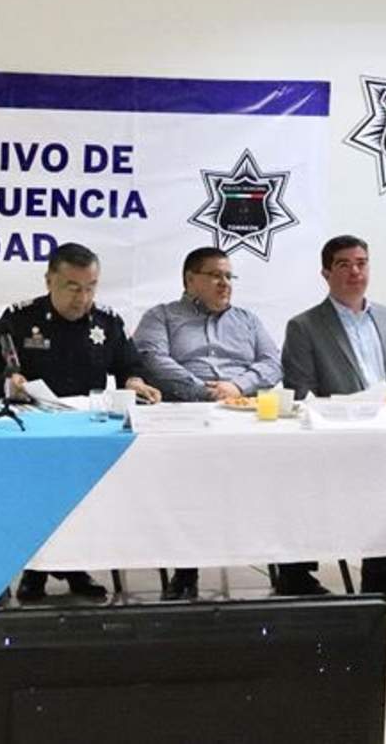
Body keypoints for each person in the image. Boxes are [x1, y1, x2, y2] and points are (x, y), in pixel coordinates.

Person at [0, 242, 160, 603]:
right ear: (49, 281)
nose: (83, 298)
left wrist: (136, 383)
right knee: (36, 488)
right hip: (34, 437)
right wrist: (9, 384)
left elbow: (130, 366)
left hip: (87, 434)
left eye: (91, 287)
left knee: (93, 488)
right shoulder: (18, 320)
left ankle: (78, 566)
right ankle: (34, 571)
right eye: (73, 287)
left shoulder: (107, 322)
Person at [280, 234, 386, 601]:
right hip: (343, 434)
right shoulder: (305, 326)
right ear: (326, 274)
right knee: (376, 472)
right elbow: (300, 392)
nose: (355, 272)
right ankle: (376, 566)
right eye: (344, 265)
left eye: (361, 263)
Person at [133, 246, 282, 600]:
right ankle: (186, 569)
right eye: (215, 275)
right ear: (190, 280)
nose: (225, 283)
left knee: (283, 467)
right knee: (188, 483)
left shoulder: (247, 320)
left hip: (242, 413)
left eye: (229, 276)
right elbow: (152, 359)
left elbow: (272, 363)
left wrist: (238, 386)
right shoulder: (162, 316)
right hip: (186, 414)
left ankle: (292, 568)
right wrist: (202, 390)